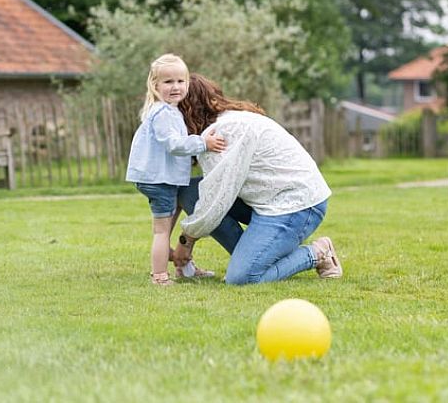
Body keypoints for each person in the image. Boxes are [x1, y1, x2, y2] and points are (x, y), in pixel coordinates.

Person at [172, 74, 342, 285]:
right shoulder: (224, 121)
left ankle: (317, 253)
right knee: (189, 191)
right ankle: (254, 258)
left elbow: (216, 201)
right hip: (266, 201)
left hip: (295, 206)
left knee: (241, 278)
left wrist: (185, 241)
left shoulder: (221, 131)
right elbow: (209, 194)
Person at [126, 55, 226, 286]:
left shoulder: (169, 110)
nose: (176, 87)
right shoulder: (162, 113)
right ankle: (160, 276)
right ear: (155, 85)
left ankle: (184, 267)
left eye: (181, 81)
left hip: (163, 178)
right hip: (158, 180)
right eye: (168, 82)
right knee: (161, 232)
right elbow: (174, 144)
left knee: (167, 228)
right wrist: (203, 143)